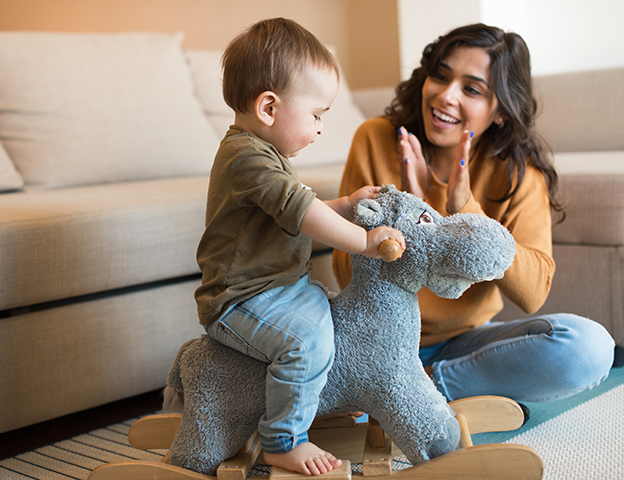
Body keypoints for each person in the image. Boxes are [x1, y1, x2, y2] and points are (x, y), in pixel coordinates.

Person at [333, 23, 615, 406]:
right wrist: (416, 220)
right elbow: (344, 270)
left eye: (471, 89)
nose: (445, 96)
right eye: (441, 76)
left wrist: (463, 210)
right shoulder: (377, 138)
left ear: (500, 111)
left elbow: (533, 293)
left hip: (461, 345)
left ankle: (424, 390)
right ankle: (396, 394)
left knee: (589, 348)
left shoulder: (519, 173)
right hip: (374, 342)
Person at [195, 18, 405, 476]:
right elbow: (302, 211)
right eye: (316, 115)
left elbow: (294, 210)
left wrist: (346, 205)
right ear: (269, 107)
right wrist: (365, 243)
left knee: (335, 321)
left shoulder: (266, 155)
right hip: (239, 298)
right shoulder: (246, 157)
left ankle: (325, 400)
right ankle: (283, 439)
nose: (320, 128)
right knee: (305, 342)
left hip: (280, 287)